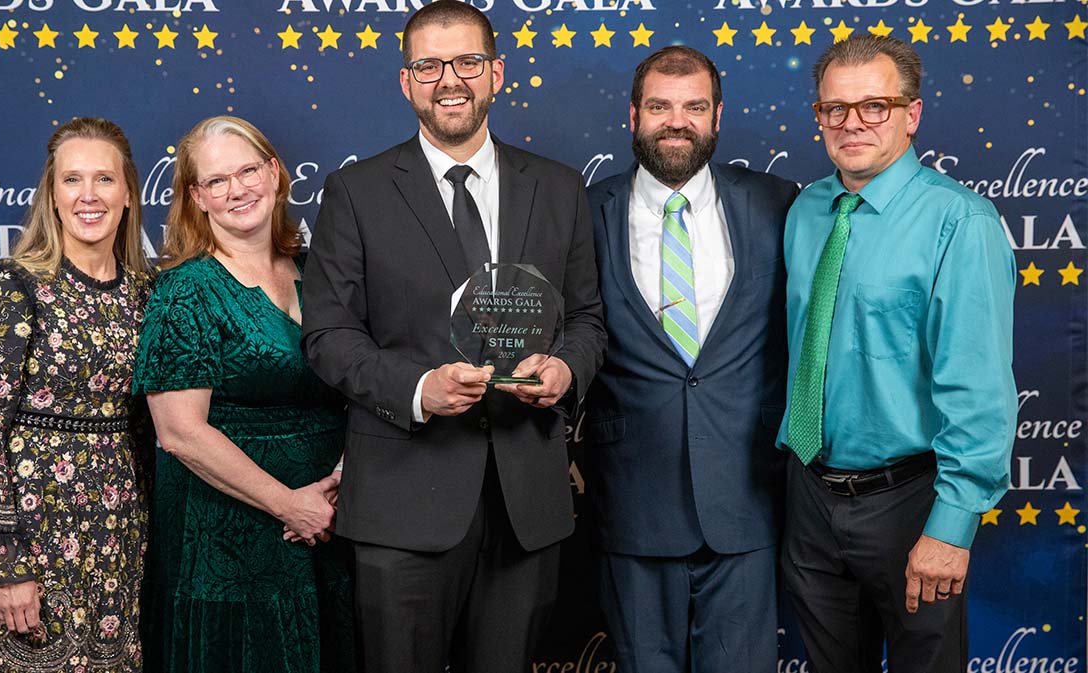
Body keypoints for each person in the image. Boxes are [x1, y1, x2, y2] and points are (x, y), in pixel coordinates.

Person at [301, 2, 606, 671]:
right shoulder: (356, 192)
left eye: (467, 61)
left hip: (526, 500)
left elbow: (587, 318)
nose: (451, 80)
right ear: (406, 81)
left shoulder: (557, 188)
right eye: (429, 65)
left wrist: (564, 370)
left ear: (496, 73)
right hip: (402, 499)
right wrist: (416, 388)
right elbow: (327, 332)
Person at [778, 35, 1016, 672]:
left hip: (911, 502)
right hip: (809, 496)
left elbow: (980, 389)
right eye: (835, 108)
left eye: (874, 106)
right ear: (820, 118)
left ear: (912, 115)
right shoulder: (806, 212)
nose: (852, 123)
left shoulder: (960, 223)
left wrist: (952, 525)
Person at [582, 46, 798, 672]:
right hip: (631, 498)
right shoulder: (581, 212)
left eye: (694, 107)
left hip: (747, 496)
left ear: (717, 116)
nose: (677, 121)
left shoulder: (778, 203)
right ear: (633, 115)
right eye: (660, 106)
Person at [132, 116, 355, 673]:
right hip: (229, 539)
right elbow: (181, 433)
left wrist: (345, 477)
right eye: (216, 181)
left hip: (330, 523)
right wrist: (289, 504)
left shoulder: (318, 273)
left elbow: (363, 382)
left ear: (275, 174)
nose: (237, 190)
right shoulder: (185, 290)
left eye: (249, 170)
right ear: (197, 198)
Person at [0, 117, 153, 672]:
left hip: (122, 531)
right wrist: (4, 563)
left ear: (127, 194)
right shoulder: (15, 283)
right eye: (72, 180)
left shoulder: (150, 292)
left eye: (104, 180)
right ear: (52, 194)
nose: (88, 196)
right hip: (34, 533)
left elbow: (154, 425)